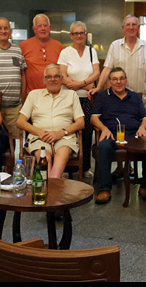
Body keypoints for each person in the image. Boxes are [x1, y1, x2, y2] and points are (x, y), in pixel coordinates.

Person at [91, 67, 146, 204]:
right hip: (111, 133)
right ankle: (104, 190)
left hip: (133, 133)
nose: (118, 82)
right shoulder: (102, 96)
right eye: (115, 79)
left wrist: (142, 126)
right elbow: (94, 118)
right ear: (110, 81)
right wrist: (103, 128)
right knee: (104, 146)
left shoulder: (135, 96)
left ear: (126, 80)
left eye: (121, 78)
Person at [17, 64, 84, 179]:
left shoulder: (71, 95)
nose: (52, 79)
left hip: (65, 138)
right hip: (39, 138)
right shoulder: (34, 95)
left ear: (62, 79)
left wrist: (60, 133)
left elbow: (80, 122)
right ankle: (53, 186)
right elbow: (20, 122)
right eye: (49, 77)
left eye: (56, 76)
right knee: (44, 157)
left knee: (62, 153)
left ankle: (50, 186)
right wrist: (39, 132)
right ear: (44, 80)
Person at [58, 21, 100, 178]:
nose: (79, 36)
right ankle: (67, 168)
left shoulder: (91, 51)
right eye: (75, 33)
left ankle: (85, 167)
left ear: (85, 35)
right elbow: (62, 76)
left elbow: (96, 73)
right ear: (71, 35)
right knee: (68, 133)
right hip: (68, 98)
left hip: (87, 99)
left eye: (82, 33)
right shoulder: (65, 52)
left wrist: (79, 85)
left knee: (87, 132)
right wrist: (84, 85)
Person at [89, 15, 146, 100]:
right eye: (128, 25)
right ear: (123, 28)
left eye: (134, 24)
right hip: (117, 96)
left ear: (138, 27)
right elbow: (107, 69)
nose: (131, 27)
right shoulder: (115, 45)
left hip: (138, 97)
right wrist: (98, 87)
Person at [20, 14, 63, 93]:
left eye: (45, 26)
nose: (43, 29)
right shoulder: (24, 45)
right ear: (34, 29)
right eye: (39, 26)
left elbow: (62, 70)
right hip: (31, 95)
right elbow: (20, 72)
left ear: (49, 28)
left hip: (54, 94)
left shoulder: (58, 45)